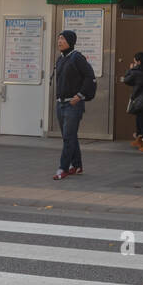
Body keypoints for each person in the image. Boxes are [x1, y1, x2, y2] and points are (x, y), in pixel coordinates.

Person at [53, 30, 96, 180]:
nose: (59, 41)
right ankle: (76, 165)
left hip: (73, 104)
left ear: (70, 41)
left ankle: (62, 168)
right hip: (61, 103)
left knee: (68, 137)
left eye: (63, 39)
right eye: (58, 39)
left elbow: (90, 77)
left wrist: (79, 95)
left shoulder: (77, 57)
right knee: (69, 136)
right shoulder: (60, 59)